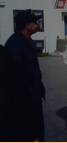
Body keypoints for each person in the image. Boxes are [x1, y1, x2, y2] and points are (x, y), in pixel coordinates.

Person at [3, 9, 46, 141]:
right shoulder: (13, 45)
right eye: (35, 22)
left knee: (38, 133)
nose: (37, 24)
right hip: (23, 103)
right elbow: (14, 79)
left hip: (34, 98)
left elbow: (33, 71)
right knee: (28, 135)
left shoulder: (29, 42)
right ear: (28, 25)